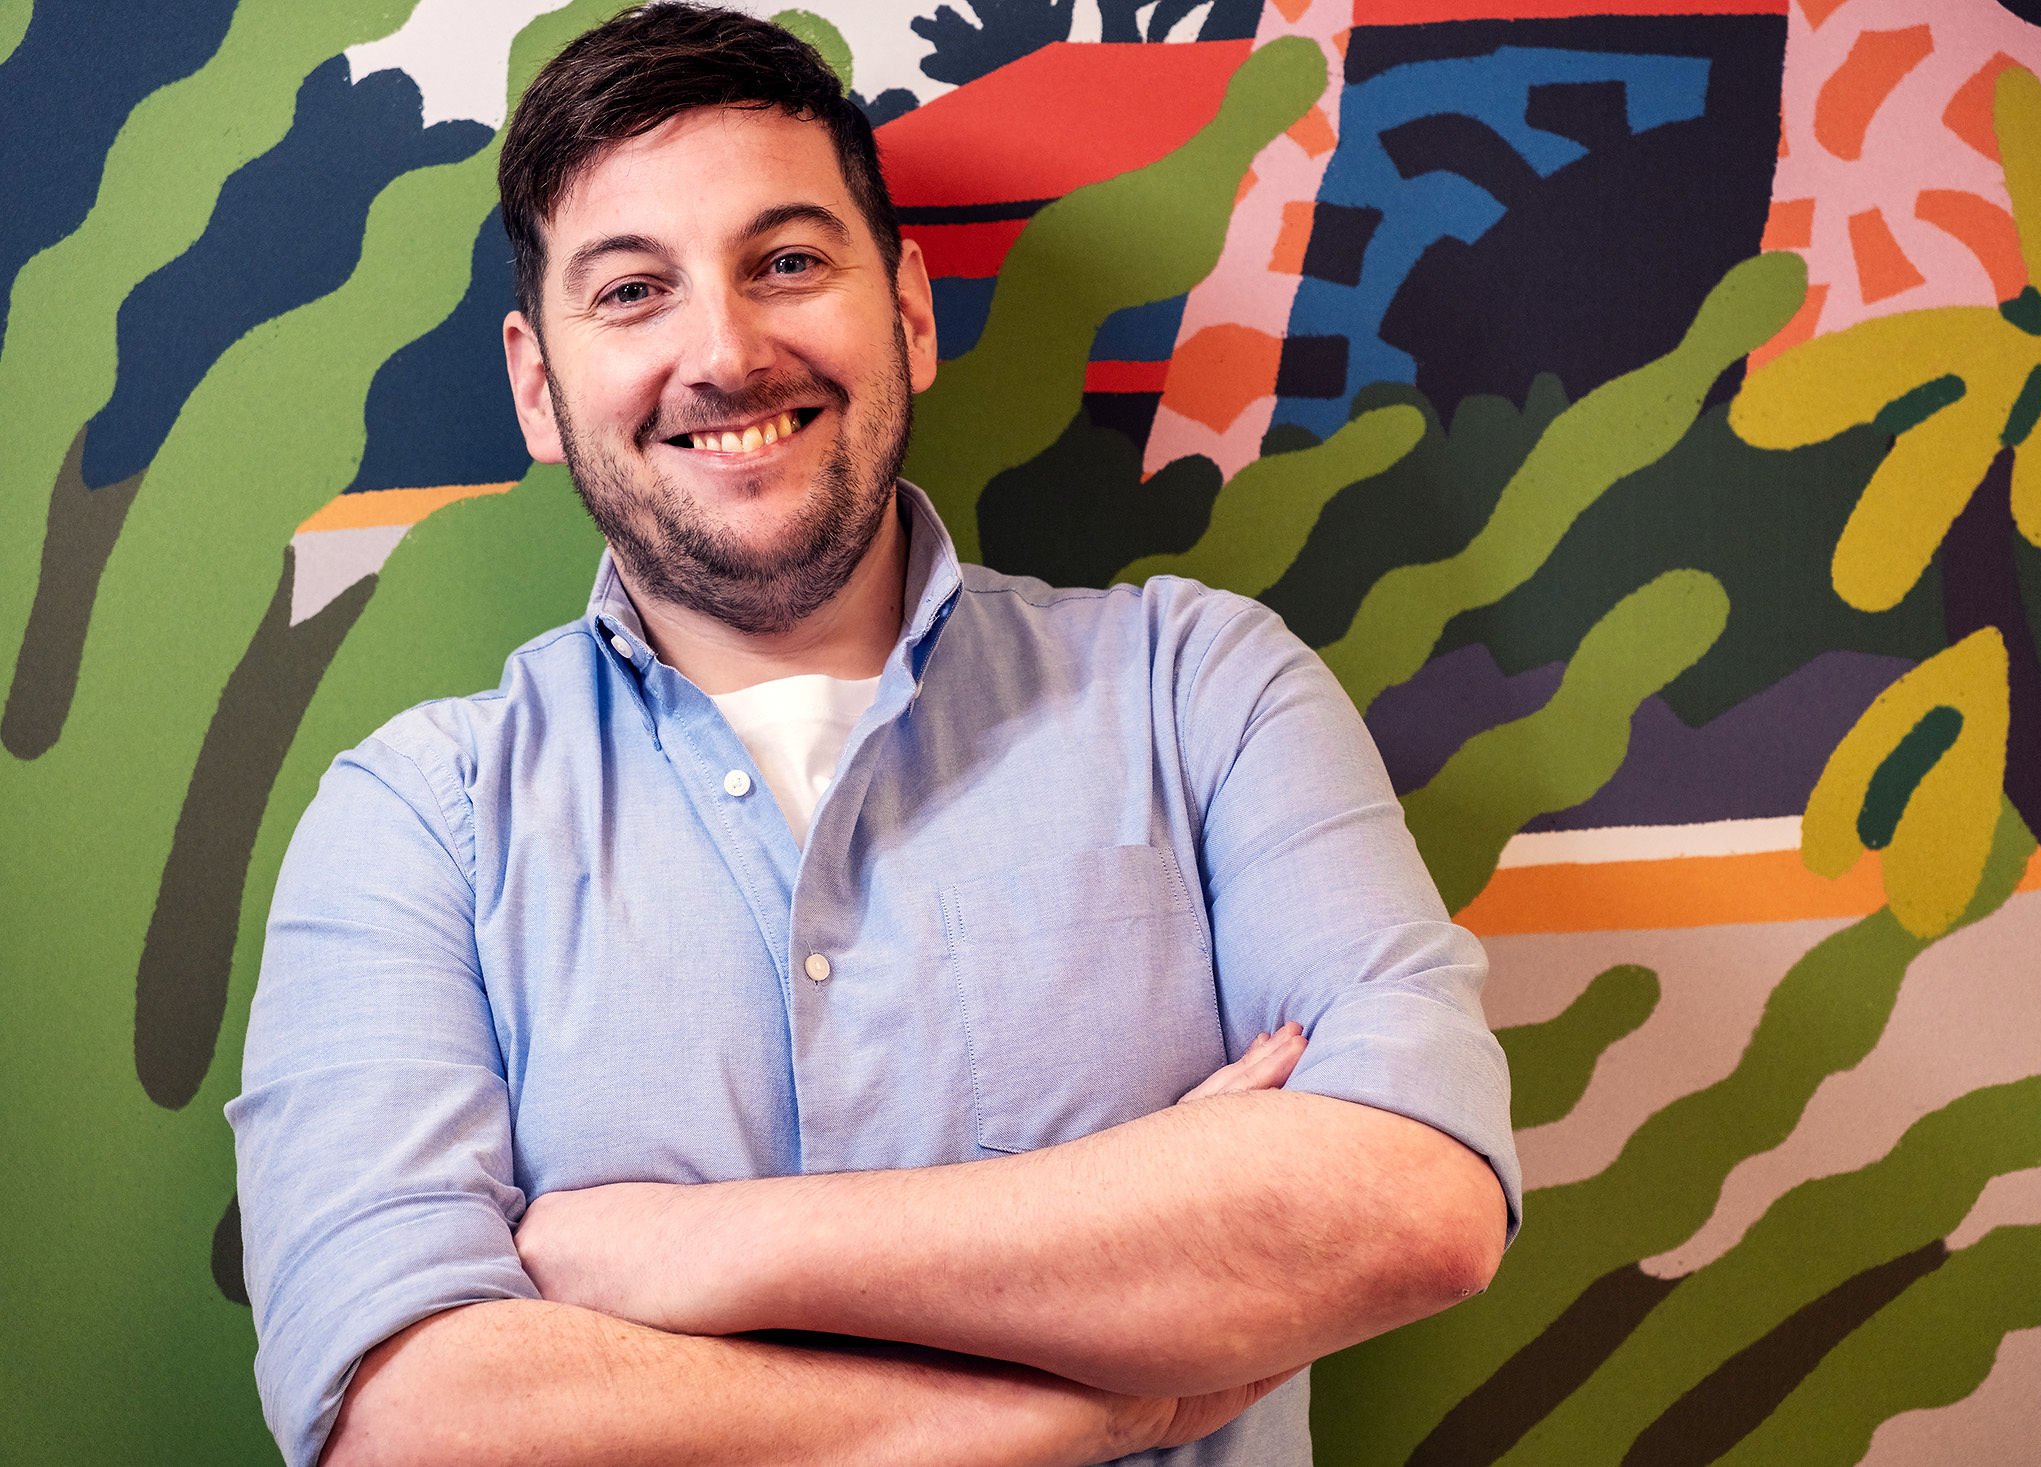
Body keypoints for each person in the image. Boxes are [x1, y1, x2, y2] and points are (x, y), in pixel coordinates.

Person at [226, 6, 1521, 1465]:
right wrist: (1102, 1398)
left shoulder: (1202, 690)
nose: (724, 350)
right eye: (634, 290)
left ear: (909, 308)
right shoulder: (415, 819)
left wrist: (704, 1251)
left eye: (787, 262)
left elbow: (1418, 1200)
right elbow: (405, 1424)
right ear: (539, 383)